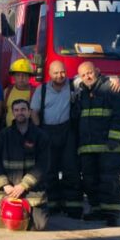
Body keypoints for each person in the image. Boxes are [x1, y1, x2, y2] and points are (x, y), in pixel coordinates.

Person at [74, 61, 120, 226]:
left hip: (110, 147)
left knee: (109, 180)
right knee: (90, 181)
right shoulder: (81, 93)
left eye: (90, 73)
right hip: (88, 147)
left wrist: (114, 139)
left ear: (97, 71)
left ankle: (112, 213)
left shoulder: (112, 89)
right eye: (84, 75)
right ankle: (96, 210)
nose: (87, 77)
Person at [30, 60, 82, 219]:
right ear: (49, 74)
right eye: (56, 73)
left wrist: (114, 80)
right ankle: (52, 205)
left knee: (71, 169)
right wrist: (40, 131)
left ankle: (73, 207)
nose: (60, 76)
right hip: (47, 132)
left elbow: (92, 75)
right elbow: (34, 112)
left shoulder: (75, 85)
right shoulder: (42, 90)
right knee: (49, 170)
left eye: (62, 72)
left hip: (68, 131)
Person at [0, 99, 50, 230]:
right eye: (16, 110)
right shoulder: (3, 136)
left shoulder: (40, 136)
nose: (19, 113)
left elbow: (43, 164)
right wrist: (4, 184)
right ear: (13, 113)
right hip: (7, 189)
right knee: (0, 224)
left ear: (29, 112)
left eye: (23, 110)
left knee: (39, 225)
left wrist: (24, 185)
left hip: (30, 189)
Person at [4, 59, 35, 126]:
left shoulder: (34, 93)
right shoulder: (7, 91)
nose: (21, 78)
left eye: (24, 75)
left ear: (29, 77)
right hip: (9, 131)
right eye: (18, 75)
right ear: (14, 76)